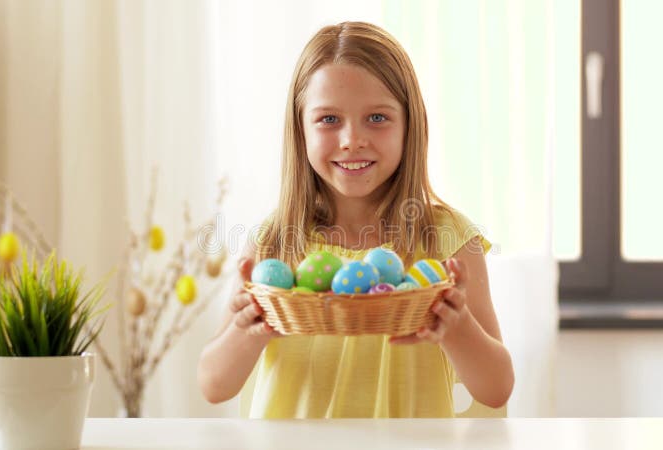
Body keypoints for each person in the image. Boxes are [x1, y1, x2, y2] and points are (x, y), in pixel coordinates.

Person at [198, 21, 514, 418]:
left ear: (408, 127)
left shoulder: (448, 241)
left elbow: (497, 388)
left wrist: (457, 326)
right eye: (329, 119)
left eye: (377, 118)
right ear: (301, 130)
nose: (352, 139)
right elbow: (213, 385)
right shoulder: (273, 242)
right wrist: (247, 333)